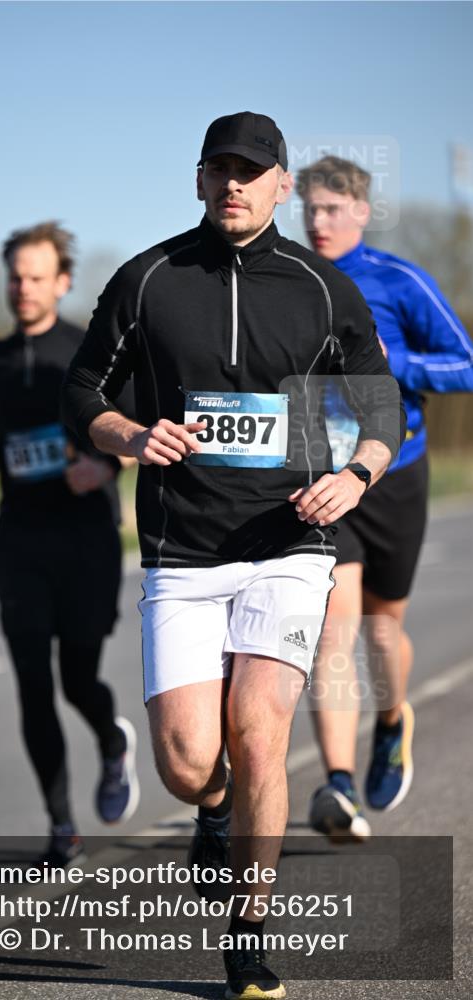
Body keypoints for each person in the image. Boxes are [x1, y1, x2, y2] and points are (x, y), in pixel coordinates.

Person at [62, 112, 405, 999]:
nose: (234, 185)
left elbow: (380, 408)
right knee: (186, 761)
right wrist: (128, 434)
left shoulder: (321, 289)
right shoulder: (148, 279)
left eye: (252, 172)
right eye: (219, 170)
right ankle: (210, 813)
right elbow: (82, 388)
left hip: (288, 543)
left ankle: (248, 932)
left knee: (258, 736)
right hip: (182, 550)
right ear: (198, 179)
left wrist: (357, 477)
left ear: (281, 185)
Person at [297, 156, 473, 841]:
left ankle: (392, 719)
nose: (318, 221)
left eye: (331, 209)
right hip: (321, 480)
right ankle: (337, 785)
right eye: (309, 209)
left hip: (394, 471)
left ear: (360, 212)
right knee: (331, 632)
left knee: (379, 631)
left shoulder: (398, 280)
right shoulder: (286, 278)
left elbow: (465, 364)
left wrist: (393, 363)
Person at [0, 222, 139, 869]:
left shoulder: (89, 352)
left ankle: (110, 740)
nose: (23, 288)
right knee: (33, 688)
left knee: (77, 680)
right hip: (18, 541)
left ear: (62, 283)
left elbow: (127, 432)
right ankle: (62, 824)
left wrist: (106, 468)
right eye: (15, 276)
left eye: (36, 276)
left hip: (85, 539)